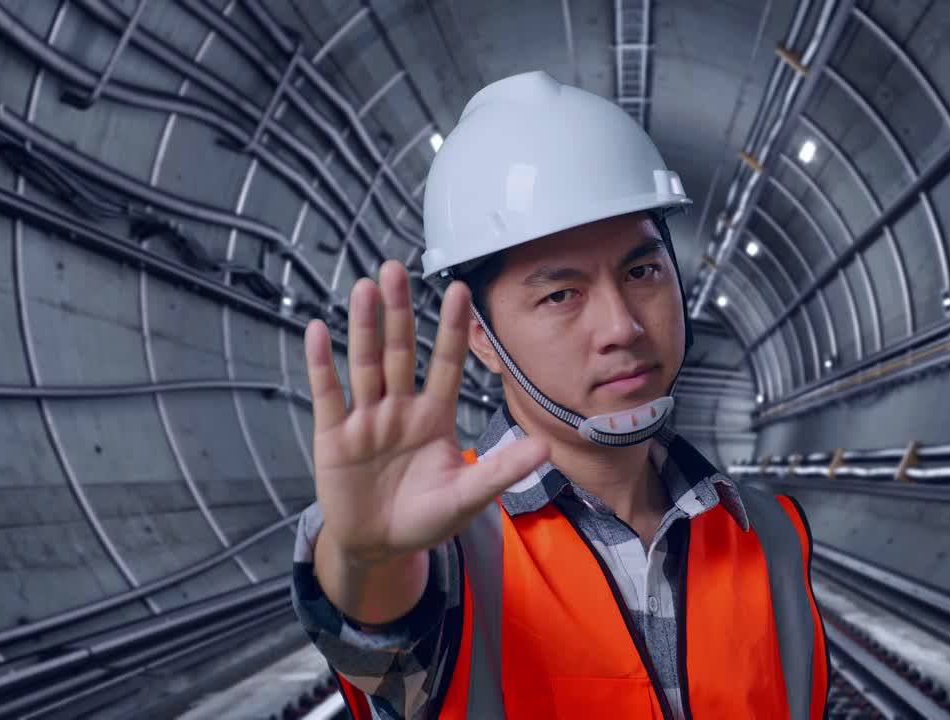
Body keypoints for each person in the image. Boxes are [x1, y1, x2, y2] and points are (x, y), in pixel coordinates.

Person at [292, 70, 829, 719]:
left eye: (642, 271)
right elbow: (378, 622)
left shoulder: (771, 535)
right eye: (560, 294)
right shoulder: (449, 549)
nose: (623, 327)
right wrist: (366, 557)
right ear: (481, 339)